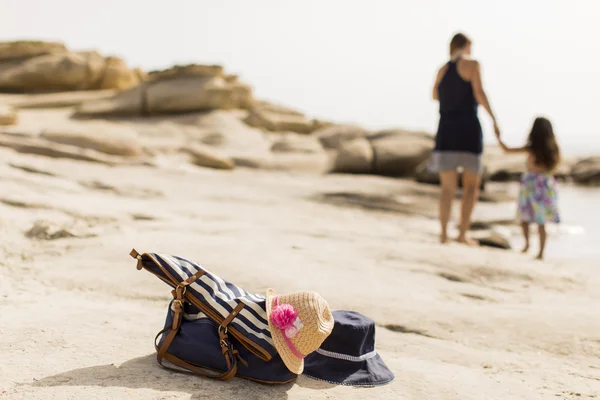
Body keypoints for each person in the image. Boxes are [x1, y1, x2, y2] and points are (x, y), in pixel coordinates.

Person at [431, 33, 500, 245]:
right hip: (468, 131)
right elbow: (479, 92)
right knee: (471, 186)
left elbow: (434, 95)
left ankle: (443, 235)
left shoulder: (443, 69)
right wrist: (494, 119)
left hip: (446, 131)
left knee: (447, 188)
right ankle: (462, 233)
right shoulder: (472, 64)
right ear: (467, 45)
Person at [496, 117, 561, 260]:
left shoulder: (532, 148)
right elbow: (555, 168)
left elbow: (507, 150)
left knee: (525, 217)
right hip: (545, 184)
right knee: (541, 220)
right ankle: (540, 252)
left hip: (531, 184)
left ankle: (527, 245)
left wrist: (498, 137)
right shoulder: (552, 149)